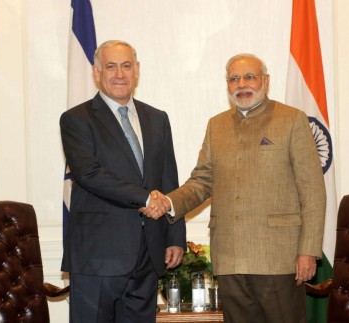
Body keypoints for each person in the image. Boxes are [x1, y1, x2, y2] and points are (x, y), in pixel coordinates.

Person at [142, 53, 326, 323]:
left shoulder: (292, 120)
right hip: (229, 257)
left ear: (266, 80)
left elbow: (312, 191)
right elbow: (202, 181)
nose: (242, 84)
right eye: (234, 79)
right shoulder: (216, 126)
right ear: (227, 85)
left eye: (249, 77)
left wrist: (308, 250)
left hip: (277, 257)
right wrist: (168, 203)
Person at [60, 40, 186, 323]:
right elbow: (89, 173)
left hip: (148, 254)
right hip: (98, 254)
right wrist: (145, 198)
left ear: (137, 70)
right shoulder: (76, 119)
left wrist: (175, 237)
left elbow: (169, 178)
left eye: (126, 66)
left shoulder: (157, 118)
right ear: (96, 72)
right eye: (111, 66)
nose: (120, 74)